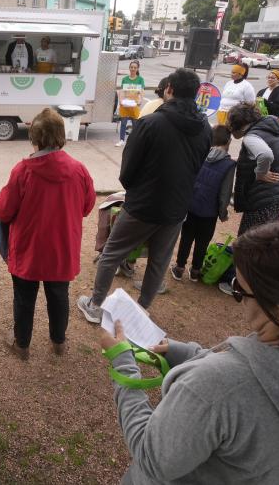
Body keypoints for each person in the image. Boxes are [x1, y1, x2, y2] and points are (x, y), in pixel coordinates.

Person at [99, 221, 279, 485]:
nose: (239, 301)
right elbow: (274, 373)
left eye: (240, 290)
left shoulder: (217, 387)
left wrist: (123, 364)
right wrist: (184, 352)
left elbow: (153, 459)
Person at [77, 68, 211, 321]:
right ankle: (142, 311)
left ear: (169, 89)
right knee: (159, 261)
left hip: (143, 204)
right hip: (177, 207)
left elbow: (127, 170)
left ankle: (95, 305)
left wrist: (135, 190)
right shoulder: (205, 127)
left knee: (111, 254)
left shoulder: (150, 123)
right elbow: (198, 166)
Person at [0, 108, 95, 360]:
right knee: (59, 296)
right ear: (61, 135)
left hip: (29, 250)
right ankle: (58, 343)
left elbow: (3, 210)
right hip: (62, 248)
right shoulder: (79, 169)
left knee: (24, 299)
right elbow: (87, 206)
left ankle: (22, 346)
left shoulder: (23, 170)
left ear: (34, 138)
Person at [170, 125, 236, 282]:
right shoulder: (229, 165)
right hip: (209, 212)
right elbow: (225, 193)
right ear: (228, 141)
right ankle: (195, 271)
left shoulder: (200, 154)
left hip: (191, 206)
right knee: (203, 241)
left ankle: (179, 268)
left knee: (186, 238)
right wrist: (222, 212)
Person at [227, 104, 279, 235]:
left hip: (267, 198)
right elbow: (265, 153)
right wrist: (240, 160)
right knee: (265, 234)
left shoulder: (251, 137)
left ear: (238, 125)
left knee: (249, 238)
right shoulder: (267, 128)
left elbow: (265, 154)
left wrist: (261, 173)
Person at [116, 60, 145, 147]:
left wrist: (140, 101)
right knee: (123, 123)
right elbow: (122, 91)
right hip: (125, 104)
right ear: (129, 68)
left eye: (135, 67)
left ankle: (134, 141)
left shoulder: (140, 80)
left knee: (135, 124)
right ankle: (121, 140)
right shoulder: (125, 79)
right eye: (131, 67)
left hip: (134, 105)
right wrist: (120, 101)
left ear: (137, 69)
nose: (133, 69)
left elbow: (142, 92)